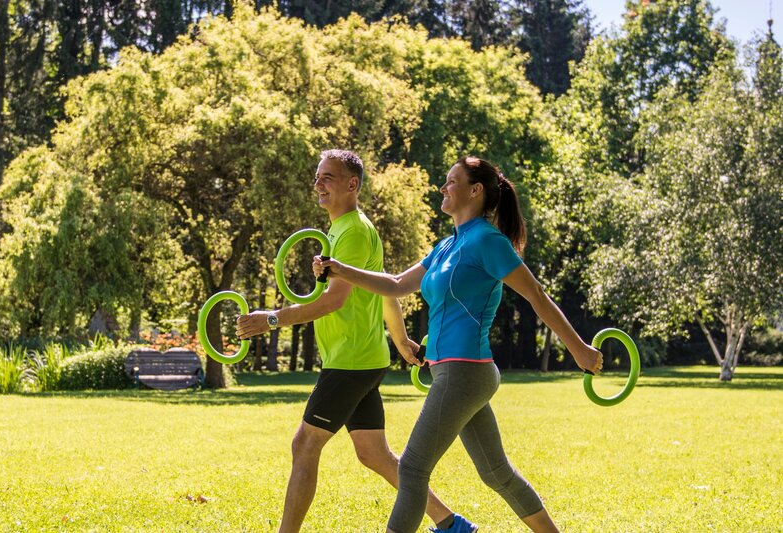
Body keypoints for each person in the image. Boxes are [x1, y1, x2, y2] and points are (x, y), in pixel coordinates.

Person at [313, 156, 603, 533]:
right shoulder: (447, 245)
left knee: (413, 467)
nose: (443, 188)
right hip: (452, 372)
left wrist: (578, 347)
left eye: (451, 182)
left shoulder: (488, 241)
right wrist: (339, 269)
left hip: (465, 371)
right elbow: (398, 283)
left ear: (475, 191)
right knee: (496, 472)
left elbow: (536, 296)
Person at [236, 150, 472, 533]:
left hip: (351, 361)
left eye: (327, 177)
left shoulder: (354, 232)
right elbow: (383, 289)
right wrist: (400, 340)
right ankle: (450, 523)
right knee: (374, 454)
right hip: (360, 357)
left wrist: (273, 319)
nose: (318, 184)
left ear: (352, 184)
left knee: (304, 445)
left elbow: (334, 300)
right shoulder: (342, 230)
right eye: (316, 177)